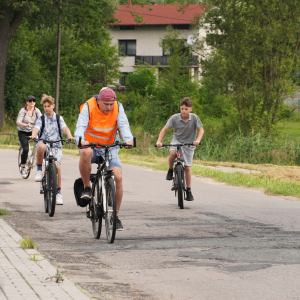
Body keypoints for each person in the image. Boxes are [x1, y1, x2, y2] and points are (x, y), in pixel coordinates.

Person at [75, 87, 134, 231]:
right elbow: (80, 126)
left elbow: (124, 125)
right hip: (92, 146)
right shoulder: (89, 106)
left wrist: (128, 140)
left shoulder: (118, 107)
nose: (109, 107)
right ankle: (87, 187)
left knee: (118, 177)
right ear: (99, 101)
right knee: (85, 153)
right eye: (106, 104)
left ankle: (115, 216)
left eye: (111, 104)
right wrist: (80, 140)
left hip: (110, 147)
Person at [156, 97, 204, 201]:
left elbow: (201, 129)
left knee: (187, 167)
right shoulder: (174, 117)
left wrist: (198, 140)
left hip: (189, 143)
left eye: (186, 109)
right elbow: (164, 129)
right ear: (180, 108)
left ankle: (189, 190)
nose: (184, 111)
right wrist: (159, 141)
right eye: (182, 108)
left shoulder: (194, 118)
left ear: (190, 109)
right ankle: (170, 170)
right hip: (177, 140)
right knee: (172, 153)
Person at [30, 94, 74, 205]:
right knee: (40, 146)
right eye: (44, 106)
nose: (46, 108)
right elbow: (36, 128)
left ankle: (58, 193)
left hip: (56, 145)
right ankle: (39, 170)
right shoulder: (42, 118)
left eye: (48, 106)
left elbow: (64, 128)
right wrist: (33, 135)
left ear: (53, 106)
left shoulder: (59, 118)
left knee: (58, 168)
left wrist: (69, 136)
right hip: (45, 143)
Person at [16, 95, 42, 178]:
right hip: (23, 131)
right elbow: (18, 122)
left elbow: (42, 119)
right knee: (26, 149)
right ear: (27, 102)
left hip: (32, 131)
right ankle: (23, 167)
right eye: (30, 101)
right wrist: (25, 125)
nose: (32, 102)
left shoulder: (36, 110)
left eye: (33, 101)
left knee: (41, 145)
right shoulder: (23, 111)